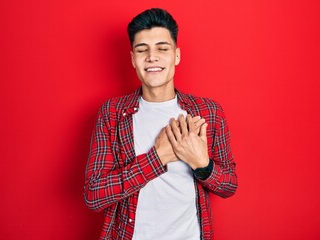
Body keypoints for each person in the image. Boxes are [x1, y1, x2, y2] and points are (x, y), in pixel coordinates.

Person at [84, 8, 238, 240]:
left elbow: (229, 186)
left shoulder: (208, 112)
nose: (152, 57)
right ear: (133, 59)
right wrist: (158, 158)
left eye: (162, 49)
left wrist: (202, 164)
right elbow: (94, 195)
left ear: (176, 55)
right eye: (142, 49)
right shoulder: (112, 114)